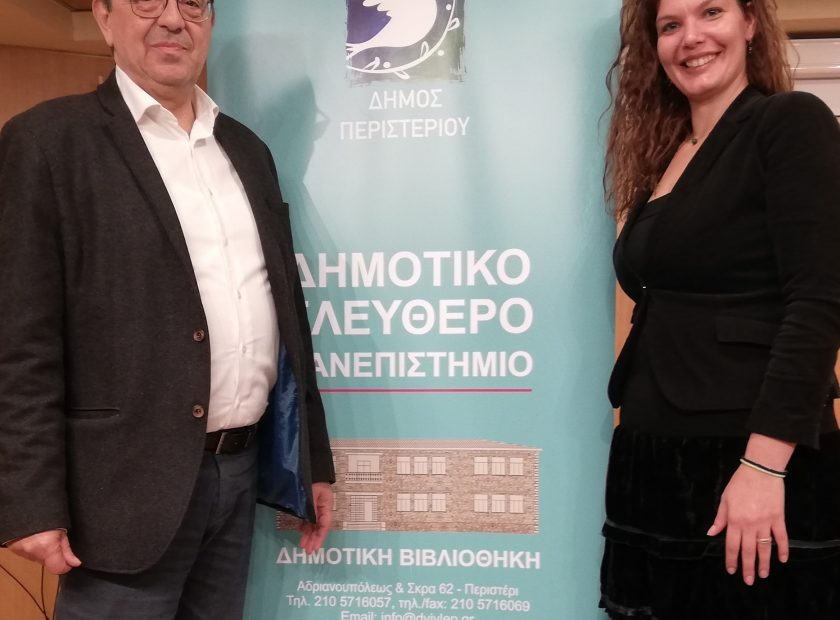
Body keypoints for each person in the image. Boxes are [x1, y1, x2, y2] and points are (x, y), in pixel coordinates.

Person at [0, 0, 335, 617]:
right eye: (147, 1)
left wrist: (309, 458)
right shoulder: (48, 143)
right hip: (120, 490)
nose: (174, 19)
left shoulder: (247, 150)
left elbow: (285, 310)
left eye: (192, 3)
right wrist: (29, 500)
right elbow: (20, 341)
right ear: (104, 18)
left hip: (238, 474)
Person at [601, 0, 840, 618]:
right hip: (651, 458)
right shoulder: (669, 152)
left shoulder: (790, 121)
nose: (691, 38)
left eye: (711, 12)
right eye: (670, 25)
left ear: (750, 23)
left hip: (744, 453)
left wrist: (763, 466)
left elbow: (818, 301)